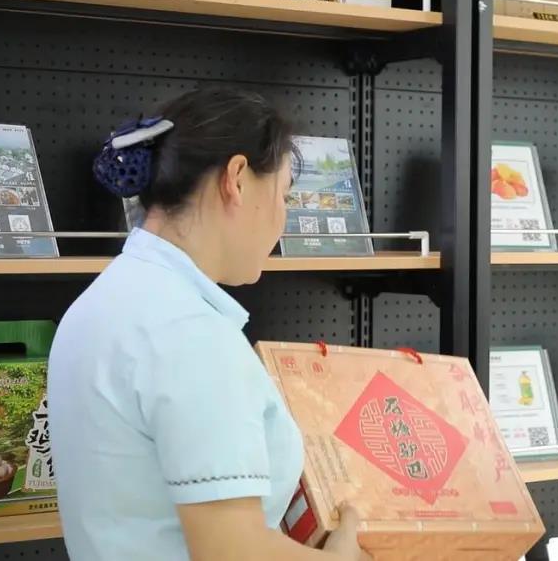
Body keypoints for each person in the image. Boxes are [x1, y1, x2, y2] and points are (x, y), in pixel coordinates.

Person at [48, 87, 365, 561]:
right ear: (236, 179)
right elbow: (232, 551)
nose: (282, 221)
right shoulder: (191, 335)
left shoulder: (103, 300)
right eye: (283, 195)